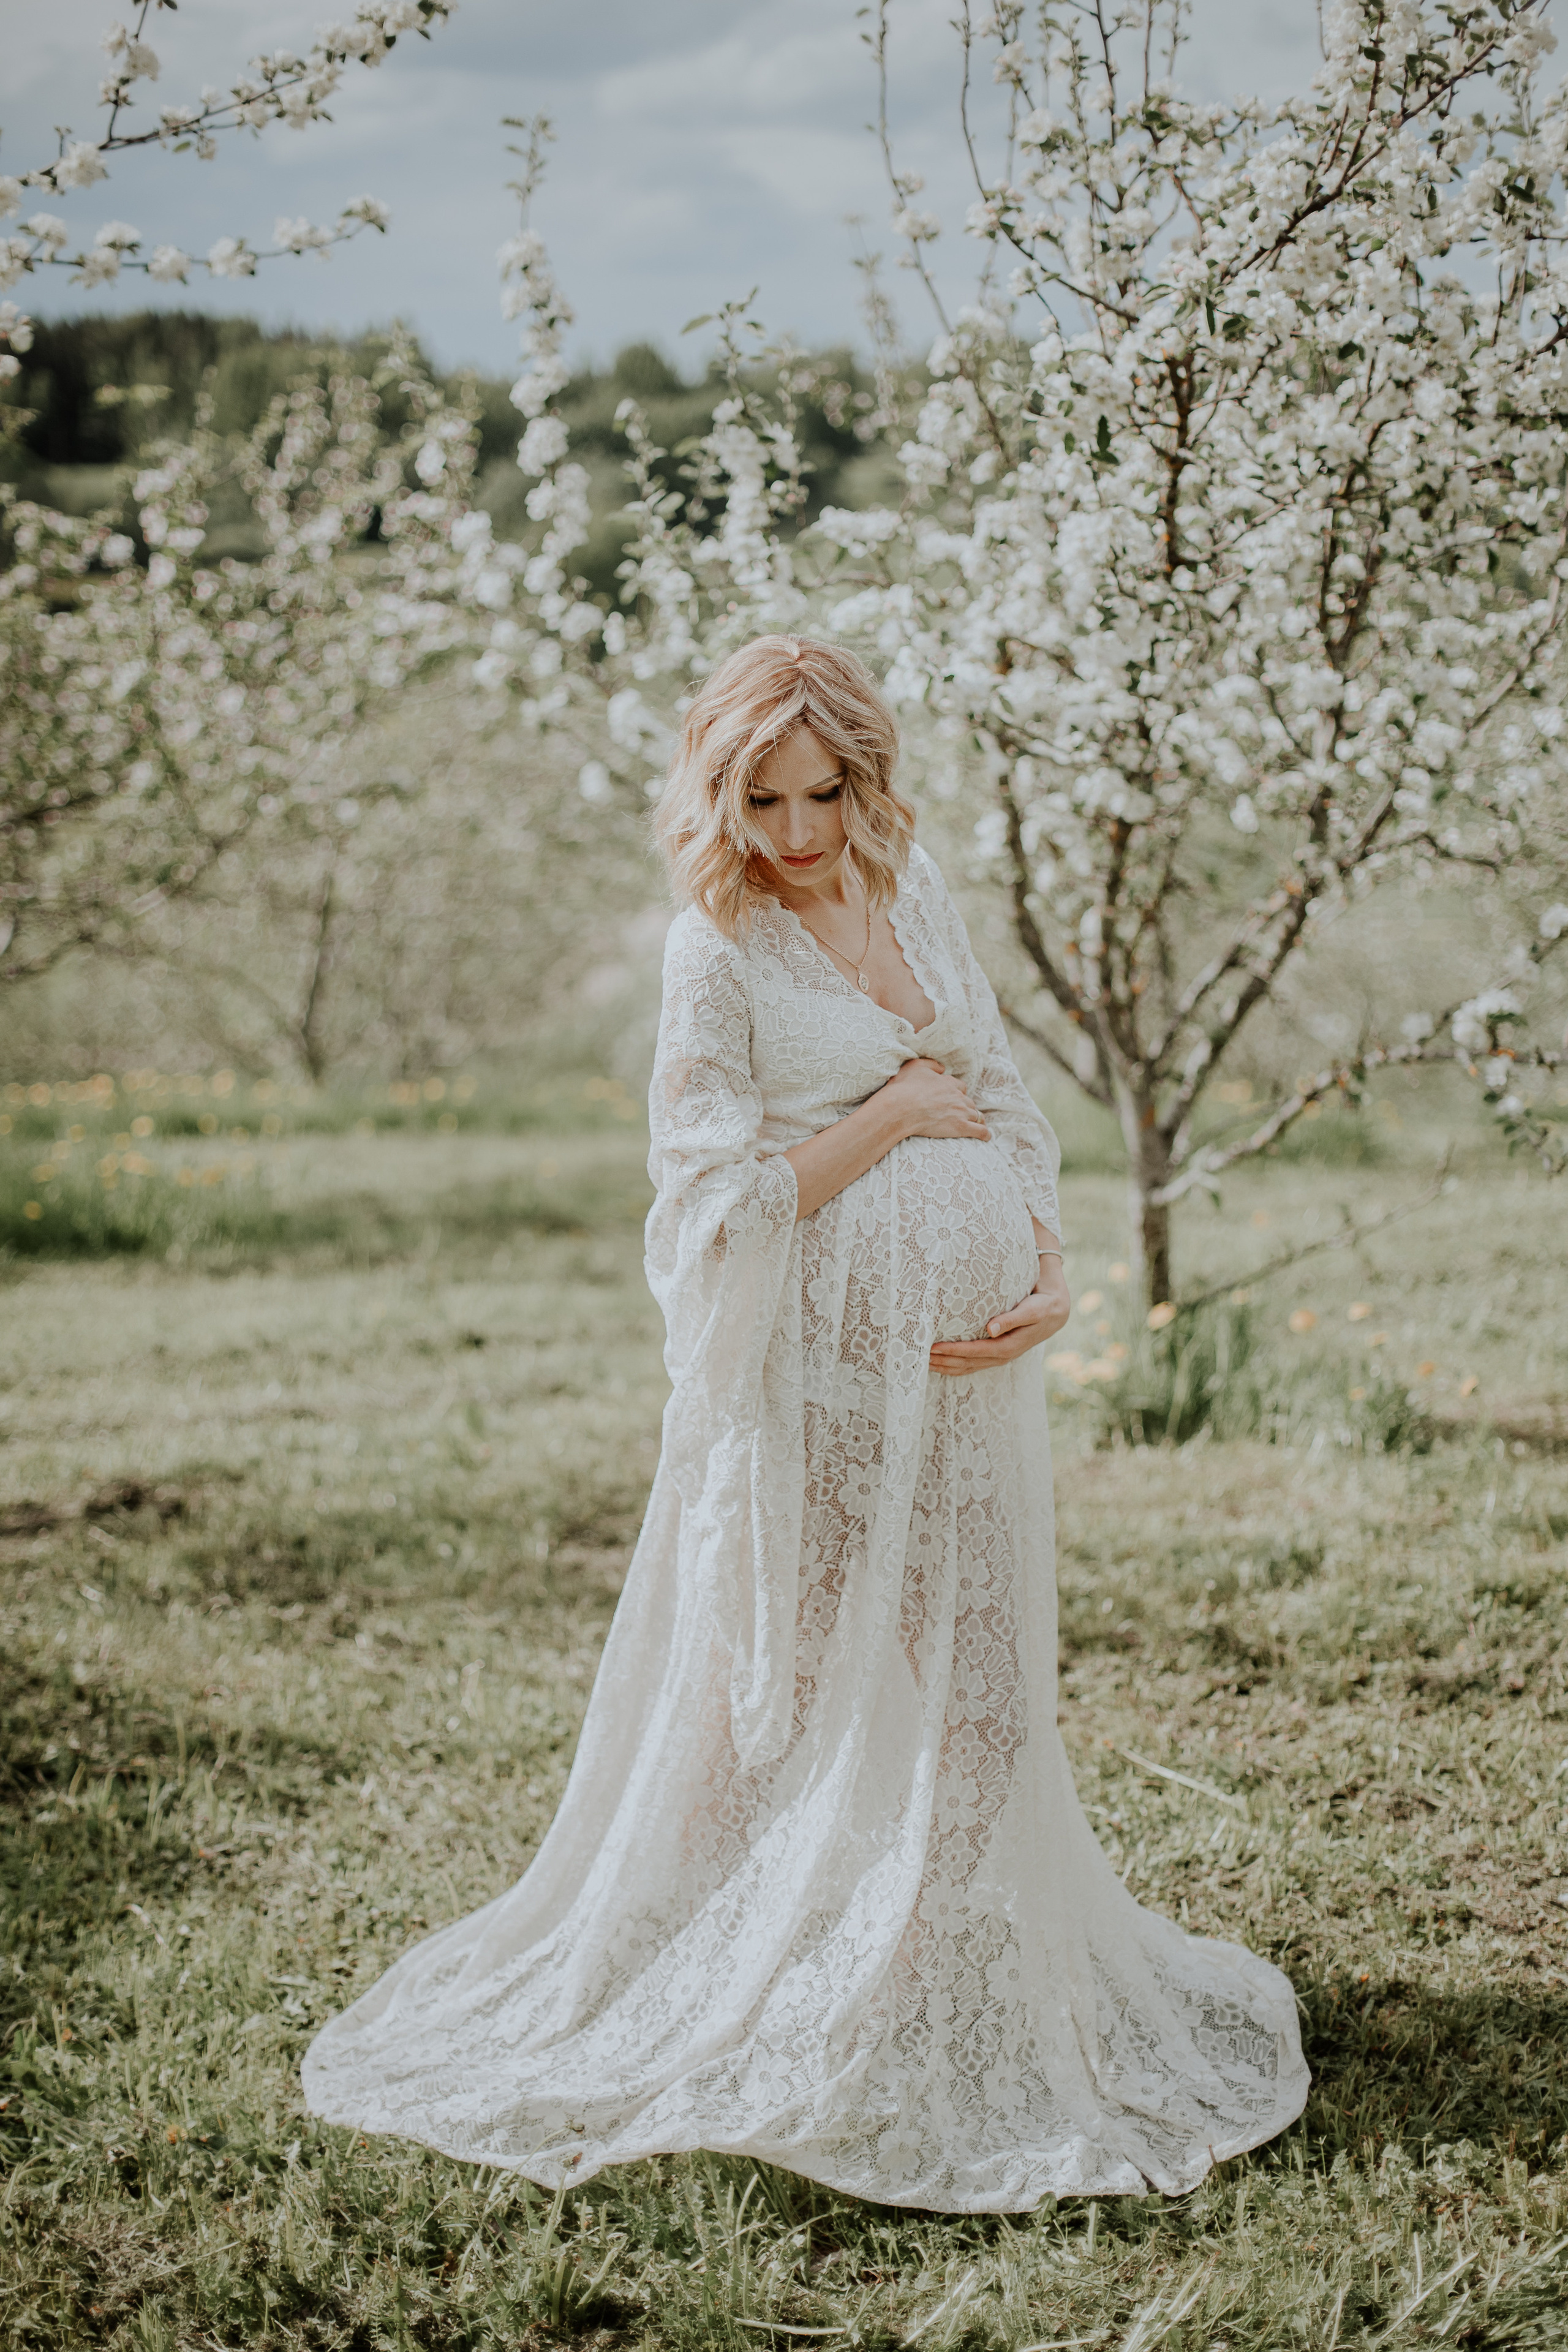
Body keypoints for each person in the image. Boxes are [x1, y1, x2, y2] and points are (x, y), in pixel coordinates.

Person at [302, 635, 1308, 2211]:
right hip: (812, 1380)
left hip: (967, 1382)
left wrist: (1043, 1262)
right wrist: (889, 1118)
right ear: (718, 797)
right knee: (791, 1677)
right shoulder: (715, 947)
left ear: (863, 776)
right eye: (756, 798)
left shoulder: (915, 900)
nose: (790, 831)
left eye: (817, 792)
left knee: (981, 1667)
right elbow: (705, 1200)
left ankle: (944, 1953)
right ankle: (752, 1967)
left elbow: (1011, 1093)